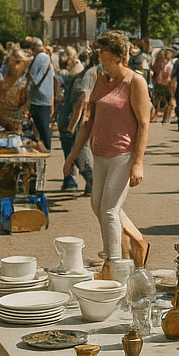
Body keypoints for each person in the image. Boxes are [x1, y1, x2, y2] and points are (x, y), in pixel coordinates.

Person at [63, 30, 150, 267]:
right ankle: (130, 243)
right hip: (99, 154)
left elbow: (144, 123)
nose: (99, 57)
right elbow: (89, 122)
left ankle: (113, 263)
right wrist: (72, 155)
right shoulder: (102, 81)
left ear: (117, 55)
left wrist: (138, 163)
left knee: (109, 210)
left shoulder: (135, 82)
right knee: (97, 205)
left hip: (123, 154)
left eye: (103, 52)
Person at [57, 47, 93, 194]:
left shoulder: (79, 78)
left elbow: (79, 106)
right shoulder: (75, 76)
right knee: (73, 154)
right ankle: (72, 181)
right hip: (68, 120)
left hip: (73, 123)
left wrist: (71, 128)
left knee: (79, 154)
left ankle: (92, 182)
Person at [25, 38, 57, 151]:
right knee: (42, 127)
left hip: (39, 98)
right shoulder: (45, 57)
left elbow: (33, 77)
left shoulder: (41, 57)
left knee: (41, 127)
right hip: (44, 97)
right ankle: (45, 148)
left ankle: (46, 149)